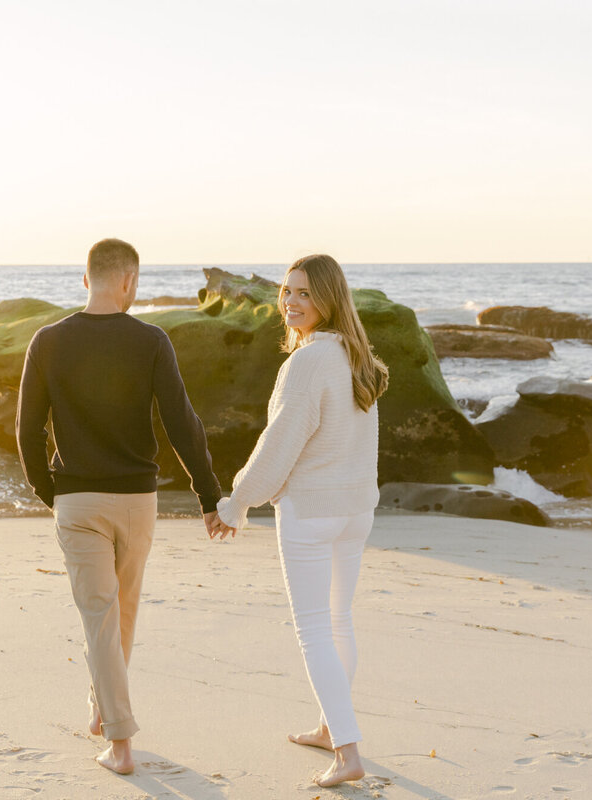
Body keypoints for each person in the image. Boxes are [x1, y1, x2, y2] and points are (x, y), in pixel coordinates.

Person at [16, 237, 231, 775]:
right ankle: (108, 716)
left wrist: (51, 492)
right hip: (138, 501)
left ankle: (118, 741)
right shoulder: (151, 340)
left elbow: (27, 431)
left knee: (102, 616)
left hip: (80, 501)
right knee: (119, 613)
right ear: (130, 281)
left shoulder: (47, 341)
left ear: (86, 279)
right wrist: (209, 496)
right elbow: (184, 424)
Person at [212, 254, 388, 788]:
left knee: (315, 629)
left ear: (330, 299)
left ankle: (348, 752)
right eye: (287, 292)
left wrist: (236, 501)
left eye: (305, 293)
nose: (291, 301)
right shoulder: (359, 360)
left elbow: (279, 445)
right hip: (356, 510)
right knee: (340, 622)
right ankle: (328, 727)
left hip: (313, 512)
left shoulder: (308, 363)